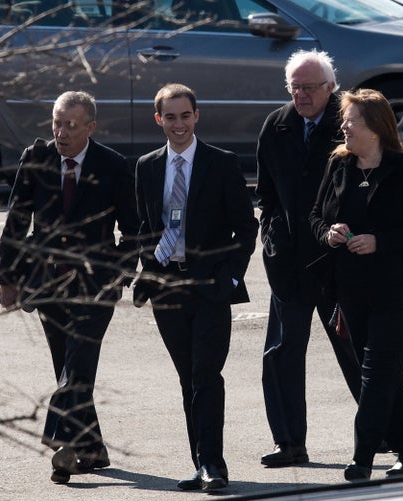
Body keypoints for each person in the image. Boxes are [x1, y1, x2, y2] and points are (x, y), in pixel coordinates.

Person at [0, 91, 139, 484]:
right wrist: (7, 277)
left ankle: (63, 443)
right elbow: (16, 222)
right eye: (56, 123)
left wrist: (119, 274)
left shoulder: (112, 166)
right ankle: (92, 448)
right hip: (48, 282)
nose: (60, 132)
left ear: (90, 128)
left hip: (95, 286)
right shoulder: (36, 158)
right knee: (68, 368)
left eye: (70, 125)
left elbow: (133, 230)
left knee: (77, 367)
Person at [133, 83, 258, 491]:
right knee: (188, 377)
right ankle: (200, 462)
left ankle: (214, 465)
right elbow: (143, 228)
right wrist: (145, 272)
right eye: (170, 117)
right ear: (159, 120)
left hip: (210, 286)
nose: (178, 124)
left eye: (185, 115)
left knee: (206, 373)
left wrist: (232, 276)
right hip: (168, 286)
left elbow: (246, 225)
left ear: (196, 116)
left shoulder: (220, 162)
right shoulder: (147, 166)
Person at [309, 88, 403, 481]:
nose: (343, 126)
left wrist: (380, 240)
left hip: (401, 288)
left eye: (351, 120)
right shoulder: (339, 165)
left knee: (376, 371)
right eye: (344, 120)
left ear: (375, 127)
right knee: (385, 372)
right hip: (351, 287)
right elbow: (315, 216)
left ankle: (362, 457)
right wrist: (329, 233)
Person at [255, 49, 362, 467]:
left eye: (310, 87)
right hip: (288, 261)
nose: (301, 94)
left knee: (357, 348)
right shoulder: (277, 125)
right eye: (295, 87)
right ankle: (289, 443)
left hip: (338, 260)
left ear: (331, 88)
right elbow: (265, 193)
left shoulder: (350, 123)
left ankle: (386, 430)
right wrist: (272, 238)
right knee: (281, 352)